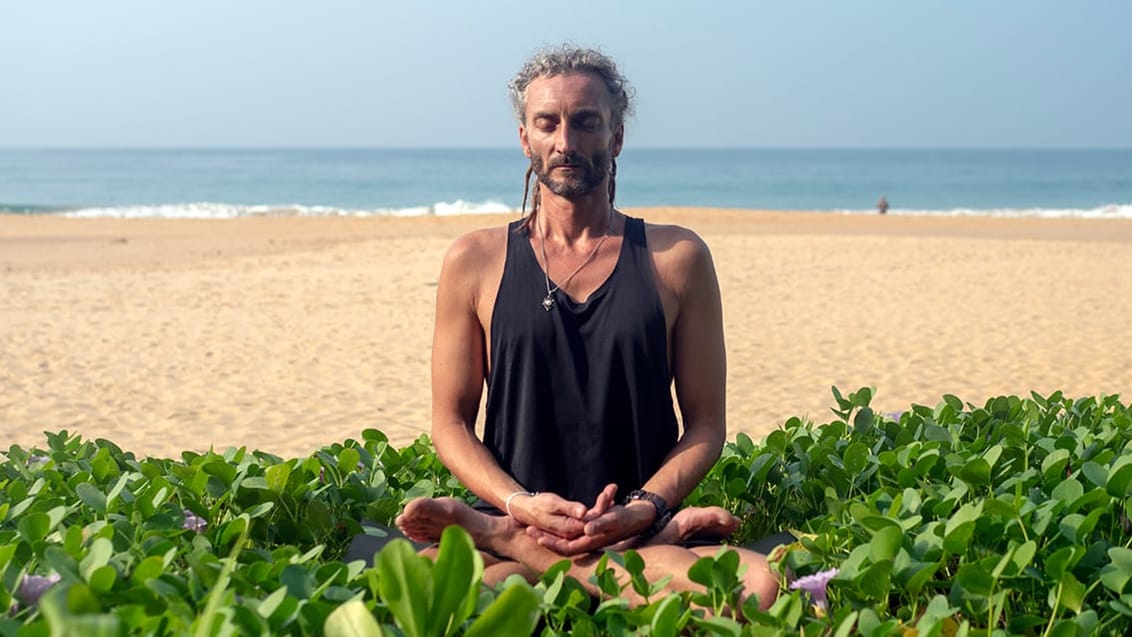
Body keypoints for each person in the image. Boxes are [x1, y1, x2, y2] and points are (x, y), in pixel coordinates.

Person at [395, 45, 778, 609]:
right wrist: (518, 506)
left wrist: (648, 507)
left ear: (616, 137)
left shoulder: (676, 258)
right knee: (462, 601)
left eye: (586, 123)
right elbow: (450, 423)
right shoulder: (474, 261)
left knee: (760, 588)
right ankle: (518, 545)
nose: (566, 143)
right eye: (547, 123)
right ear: (525, 138)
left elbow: (705, 425)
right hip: (514, 518)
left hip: (634, 533)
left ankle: (539, 557)